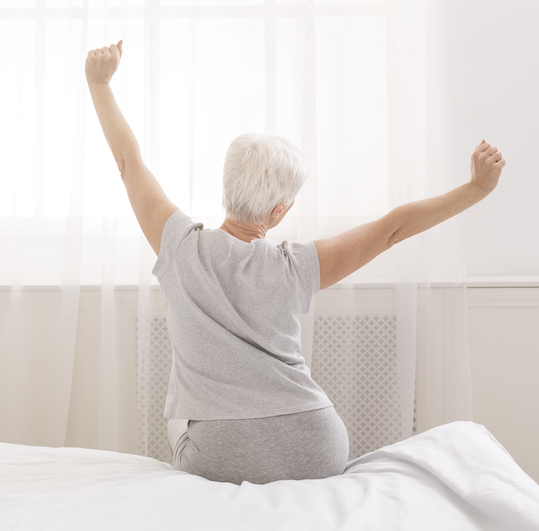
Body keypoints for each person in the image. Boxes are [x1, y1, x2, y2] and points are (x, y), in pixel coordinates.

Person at [85, 40, 507, 485]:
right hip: (316, 444)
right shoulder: (298, 266)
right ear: (279, 210)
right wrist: (476, 188)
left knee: (178, 412)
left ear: (226, 187)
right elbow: (392, 229)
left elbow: (128, 162)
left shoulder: (180, 247)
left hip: (222, 452)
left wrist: (100, 84)